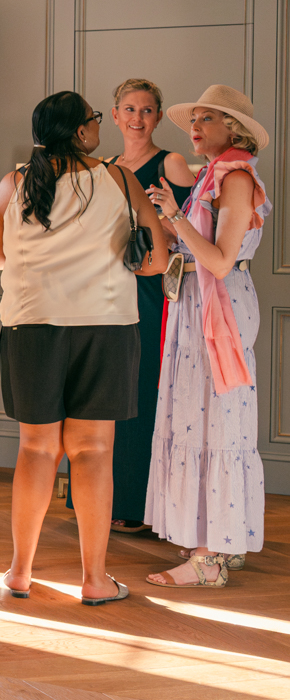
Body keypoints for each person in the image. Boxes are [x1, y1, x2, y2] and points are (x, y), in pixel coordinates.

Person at [0, 91, 166, 605]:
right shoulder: (118, 178)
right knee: (94, 452)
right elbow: (154, 261)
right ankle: (94, 579)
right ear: (82, 131)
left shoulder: (15, 181)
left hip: (31, 326)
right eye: (96, 120)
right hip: (103, 326)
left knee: (36, 450)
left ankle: (19, 571)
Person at [144, 85, 270, 588]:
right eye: (192, 119)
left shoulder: (236, 178)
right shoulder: (211, 177)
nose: (194, 128)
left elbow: (218, 259)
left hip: (219, 304)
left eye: (206, 119)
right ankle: (216, 538)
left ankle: (209, 559)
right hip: (197, 303)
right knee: (198, 418)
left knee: (216, 421)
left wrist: (174, 217)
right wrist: (167, 217)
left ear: (233, 130)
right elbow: (200, 247)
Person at [84, 80, 193, 532]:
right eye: (129, 109)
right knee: (108, 396)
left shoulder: (172, 163)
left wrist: (162, 227)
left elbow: (191, 235)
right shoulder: (104, 167)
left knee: (143, 392)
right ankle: (104, 502)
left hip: (151, 294)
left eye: (147, 110)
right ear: (114, 115)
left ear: (158, 116)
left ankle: (142, 507)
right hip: (107, 293)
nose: (137, 118)